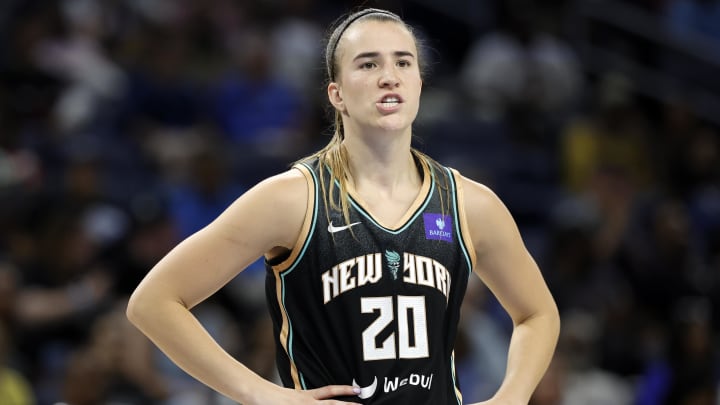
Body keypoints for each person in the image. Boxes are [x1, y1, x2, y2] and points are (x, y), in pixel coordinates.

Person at [126, 7, 560, 405]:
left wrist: (512, 396)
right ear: (336, 94)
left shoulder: (469, 203)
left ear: (419, 86)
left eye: (403, 62)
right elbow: (153, 302)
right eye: (369, 63)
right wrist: (262, 395)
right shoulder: (291, 198)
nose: (389, 76)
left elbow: (538, 313)